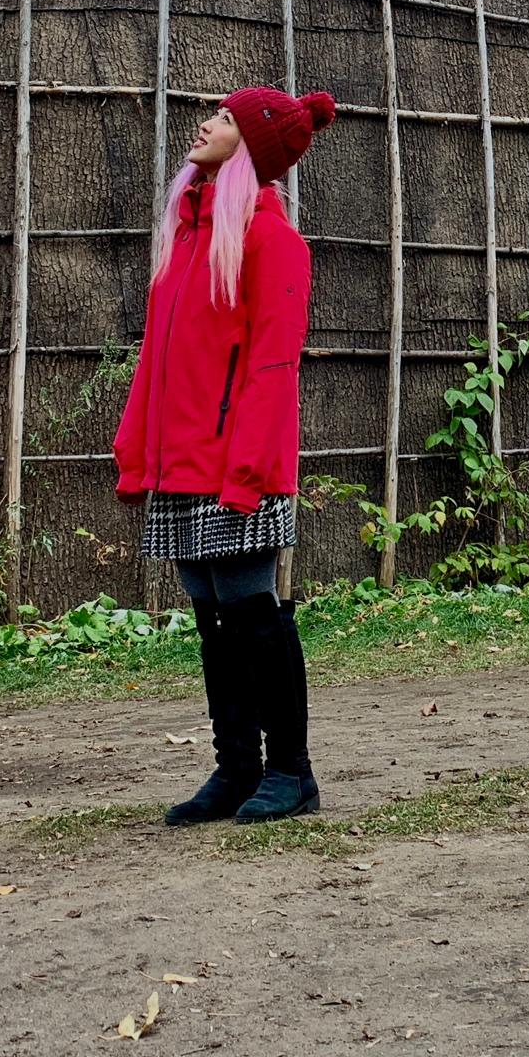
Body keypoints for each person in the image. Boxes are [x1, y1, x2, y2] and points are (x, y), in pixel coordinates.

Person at [113, 83, 335, 824]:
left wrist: (246, 472)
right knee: (210, 613)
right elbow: (158, 361)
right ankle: (236, 767)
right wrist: (136, 451)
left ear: (253, 143)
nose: (206, 123)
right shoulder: (184, 240)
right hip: (181, 462)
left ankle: (291, 771)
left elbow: (274, 367)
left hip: (238, 465)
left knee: (251, 610)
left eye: (226, 117)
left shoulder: (272, 242)